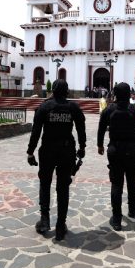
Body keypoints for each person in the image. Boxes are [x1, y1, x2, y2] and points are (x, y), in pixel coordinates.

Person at [26, 79, 86, 241]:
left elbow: (36, 132)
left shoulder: (44, 107)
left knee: (45, 184)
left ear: (52, 90)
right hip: (67, 151)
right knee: (63, 187)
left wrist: (30, 152)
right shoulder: (73, 107)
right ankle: (61, 224)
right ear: (66, 91)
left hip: (48, 151)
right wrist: (82, 147)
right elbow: (81, 127)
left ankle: (45, 220)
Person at [97, 82, 135, 231]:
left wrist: (100, 145)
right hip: (132, 150)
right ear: (128, 94)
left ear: (115, 94)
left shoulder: (109, 110)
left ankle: (116, 218)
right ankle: (132, 208)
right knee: (132, 180)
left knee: (116, 184)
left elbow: (101, 129)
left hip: (115, 149)